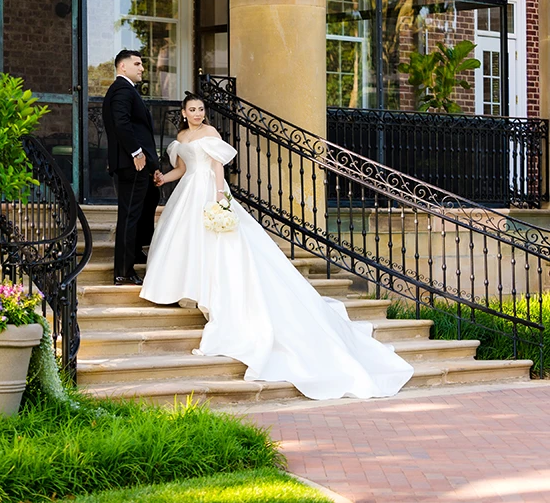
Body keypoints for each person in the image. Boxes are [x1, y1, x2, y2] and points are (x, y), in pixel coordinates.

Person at [139, 93, 414, 400]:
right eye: (193, 109)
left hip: (208, 190)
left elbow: (217, 168)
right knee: (183, 241)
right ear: (184, 112)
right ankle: (185, 288)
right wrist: (165, 178)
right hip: (188, 190)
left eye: (202, 109)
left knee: (218, 245)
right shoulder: (181, 137)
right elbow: (182, 169)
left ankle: (209, 291)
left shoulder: (211, 134)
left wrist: (219, 196)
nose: (198, 113)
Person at [102, 49, 163, 286]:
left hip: (141, 164)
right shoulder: (121, 89)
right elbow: (122, 123)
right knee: (129, 215)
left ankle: (136, 251)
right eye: (137, 64)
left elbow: (140, 131)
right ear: (122, 67)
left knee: (148, 202)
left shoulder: (128, 91)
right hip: (131, 164)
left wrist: (154, 166)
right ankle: (123, 272)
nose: (142, 68)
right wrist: (136, 153)